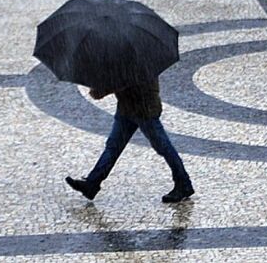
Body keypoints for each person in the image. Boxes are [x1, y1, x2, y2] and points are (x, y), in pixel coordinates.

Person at [65, 79, 195, 203]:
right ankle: (92, 183)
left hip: (144, 111)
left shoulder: (139, 63)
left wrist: (101, 91)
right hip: (126, 109)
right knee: (113, 147)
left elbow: (125, 81)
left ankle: (183, 183)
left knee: (164, 147)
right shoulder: (127, 60)